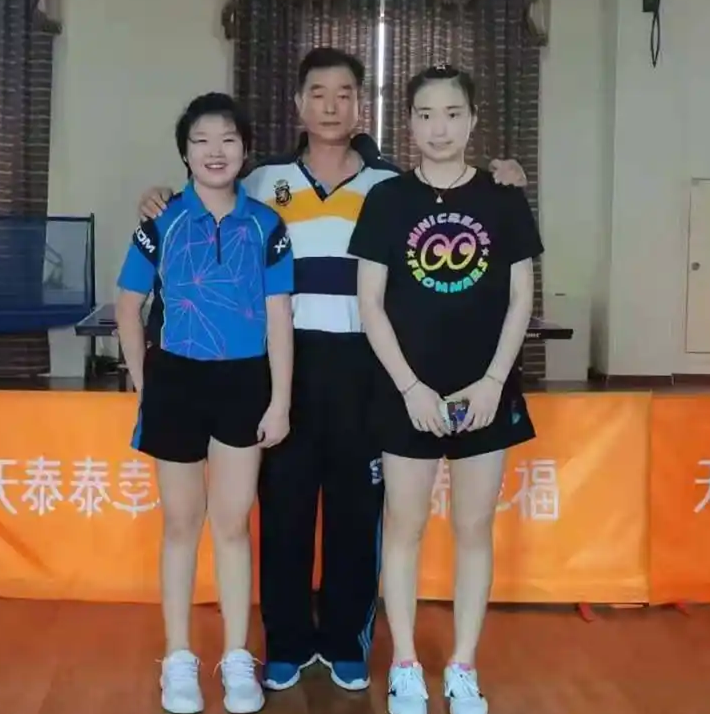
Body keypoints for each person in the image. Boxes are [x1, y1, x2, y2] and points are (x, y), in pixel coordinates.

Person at [136, 48, 529, 694]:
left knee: (357, 508)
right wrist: (157, 196)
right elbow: (203, 194)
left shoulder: (389, 186)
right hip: (283, 362)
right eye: (317, 93)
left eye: (344, 94)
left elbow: (456, 193)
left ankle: (348, 640)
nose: (330, 106)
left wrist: (503, 173)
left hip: (366, 363)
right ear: (298, 103)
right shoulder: (261, 180)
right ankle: (286, 642)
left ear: (360, 106)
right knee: (284, 508)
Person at [348, 65, 542, 714]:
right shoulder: (387, 201)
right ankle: (405, 663)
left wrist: (492, 383)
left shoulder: (504, 198)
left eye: (453, 114)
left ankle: (463, 665)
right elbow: (370, 304)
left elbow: (521, 298)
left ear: (473, 120)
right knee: (403, 527)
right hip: (407, 394)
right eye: (426, 114)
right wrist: (409, 388)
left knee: (473, 528)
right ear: (408, 122)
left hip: (485, 393)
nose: (440, 128)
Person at [115, 92, 294, 714]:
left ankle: (238, 656)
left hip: (244, 384)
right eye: (201, 140)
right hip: (176, 382)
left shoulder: (267, 226)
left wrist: (280, 401)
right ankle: (178, 657)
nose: (215, 151)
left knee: (233, 525)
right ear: (185, 153)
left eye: (227, 139)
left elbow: (279, 317)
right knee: (181, 525)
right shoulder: (160, 221)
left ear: (245, 150)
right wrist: (146, 383)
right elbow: (128, 306)